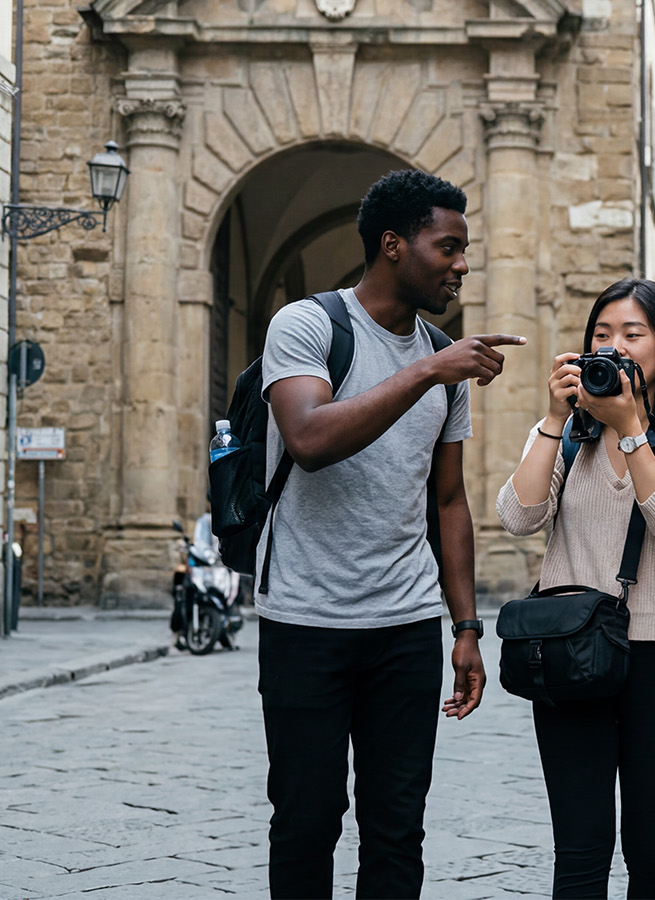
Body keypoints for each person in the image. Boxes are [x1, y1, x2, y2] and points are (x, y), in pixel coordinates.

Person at [257, 170, 525, 898]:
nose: (462, 264)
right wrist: (429, 370)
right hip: (305, 620)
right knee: (307, 823)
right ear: (393, 246)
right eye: (449, 247)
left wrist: (466, 626)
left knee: (397, 829)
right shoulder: (309, 327)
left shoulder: (446, 361)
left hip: (405, 625)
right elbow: (308, 438)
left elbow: (449, 501)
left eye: (465, 249)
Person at [496, 278, 655, 898]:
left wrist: (632, 430)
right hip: (572, 650)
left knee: (653, 851)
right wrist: (553, 418)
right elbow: (517, 518)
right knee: (579, 848)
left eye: (632, 334)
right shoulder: (566, 435)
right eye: (601, 335)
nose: (615, 346)